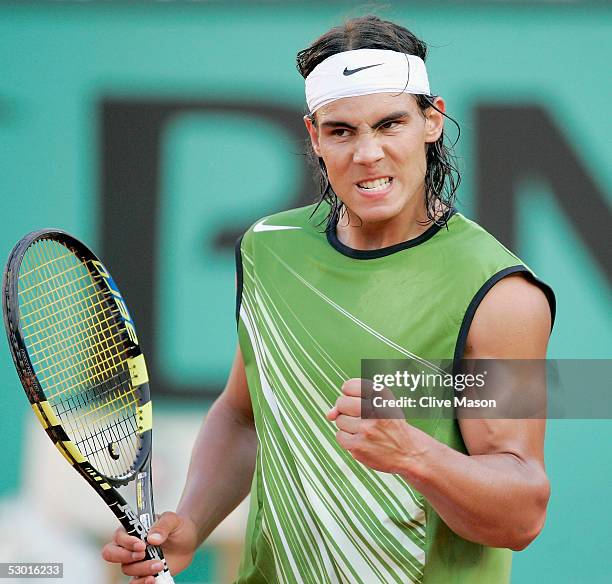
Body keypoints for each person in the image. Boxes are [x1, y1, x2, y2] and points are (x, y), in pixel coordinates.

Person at [102, 15, 555, 584]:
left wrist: (414, 453)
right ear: (314, 136)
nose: (368, 153)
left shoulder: (500, 294)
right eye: (342, 131)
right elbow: (243, 418)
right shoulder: (270, 251)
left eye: (390, 124)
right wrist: (191, 525)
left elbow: (522, 512)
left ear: (431, 121)